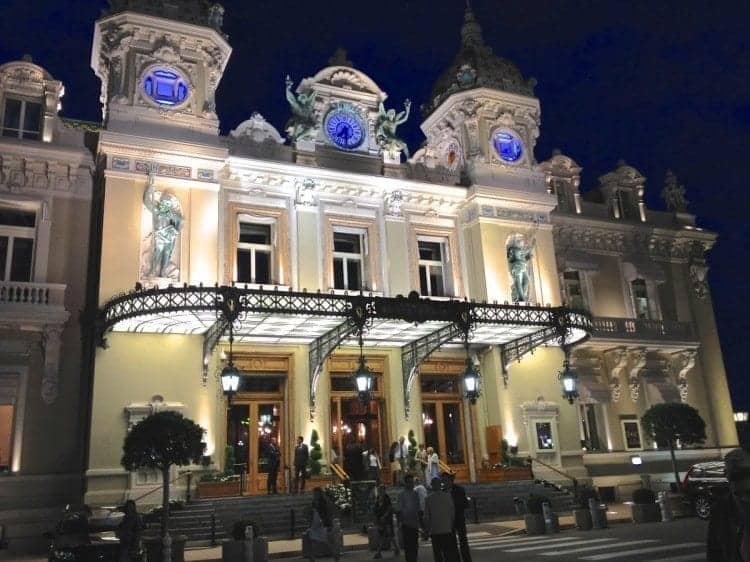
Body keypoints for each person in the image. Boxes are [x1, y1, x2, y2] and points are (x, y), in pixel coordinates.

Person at [707, 447, 750, 561]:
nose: (743, 479)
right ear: (726, 475)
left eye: (746, 472)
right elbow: (715, 552)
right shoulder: (721, 510)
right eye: (736, 475)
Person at [424, 477, 459, 562]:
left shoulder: (428, 499)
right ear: (440, 485)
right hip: (447, 529)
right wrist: (451, 525)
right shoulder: (448, 496)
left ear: (432, 486)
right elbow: (452, 513)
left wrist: (427, 530)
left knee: (437, 554)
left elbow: (427, 517)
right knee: (447, 553)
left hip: (435, 530)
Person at [443, 473, 471, 562]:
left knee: (463, 540)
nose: (444, 482)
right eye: (443, 480)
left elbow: (465, 504)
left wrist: (454, 506)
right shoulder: (442, 492)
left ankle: (466, 559)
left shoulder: (459, 490)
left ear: (450, 480)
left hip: (459, 517)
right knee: (452, 542)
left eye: (445, 480)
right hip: (448, 520)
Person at [306, 487, 332, 562]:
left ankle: (334, 552)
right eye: (314, 493)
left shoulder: (323, 502)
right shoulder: (313, 502)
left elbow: (325, 513)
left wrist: (324, 521)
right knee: (313, 540)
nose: (315, 495)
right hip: (315, 523)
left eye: (316, 493)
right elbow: (312, 512)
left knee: (324, 541)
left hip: (321, 523)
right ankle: (312, 557)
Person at [398, 474, 421, 562]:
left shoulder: (415, 493)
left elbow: (418, 508)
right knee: (408, 546)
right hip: (406, 524)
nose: (411, 484)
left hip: (414, 523)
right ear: (405, 483)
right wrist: (400, 523)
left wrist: (419, 523)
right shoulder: (402, 494)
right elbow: (400, 509)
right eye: (409, 482)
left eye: (412, 482)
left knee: (415, 545)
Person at [373, 485, 399, 559]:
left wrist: (384, 516)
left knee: (390, 535)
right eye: (380, 490)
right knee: (382, 535)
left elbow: (389, 508)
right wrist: (376, 518)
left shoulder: (387, 498)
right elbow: (376, 509)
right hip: (381, 520)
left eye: (382, 490)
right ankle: (379, 552)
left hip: (387, 520)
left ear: (384, 490)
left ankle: (396, 548)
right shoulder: (378, 498)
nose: (381, 491)